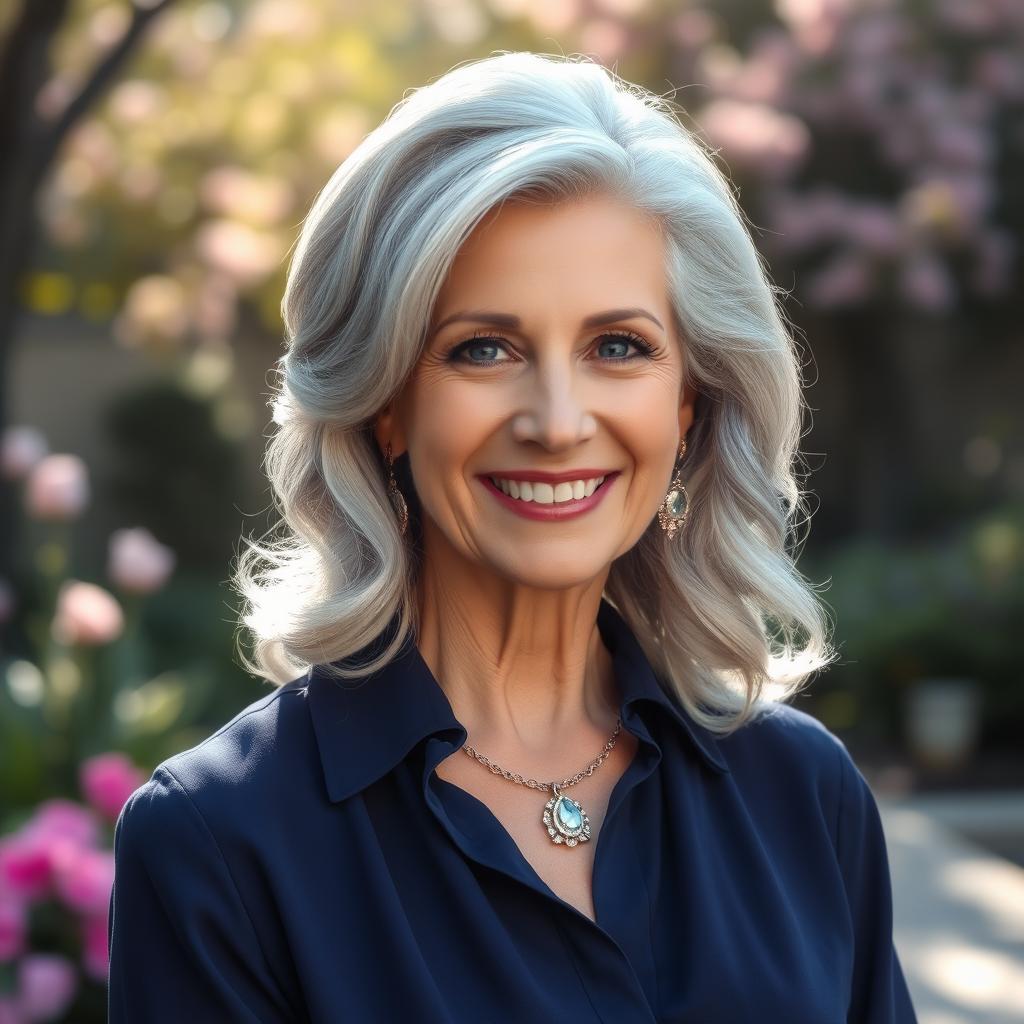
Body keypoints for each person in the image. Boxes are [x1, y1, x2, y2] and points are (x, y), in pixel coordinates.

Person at [107, 52, 917, 1023]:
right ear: (385, 407)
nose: (558, 418)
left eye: (617, 346)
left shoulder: (804, 795)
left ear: (688, 403)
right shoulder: (219, 845)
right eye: (481, 349)